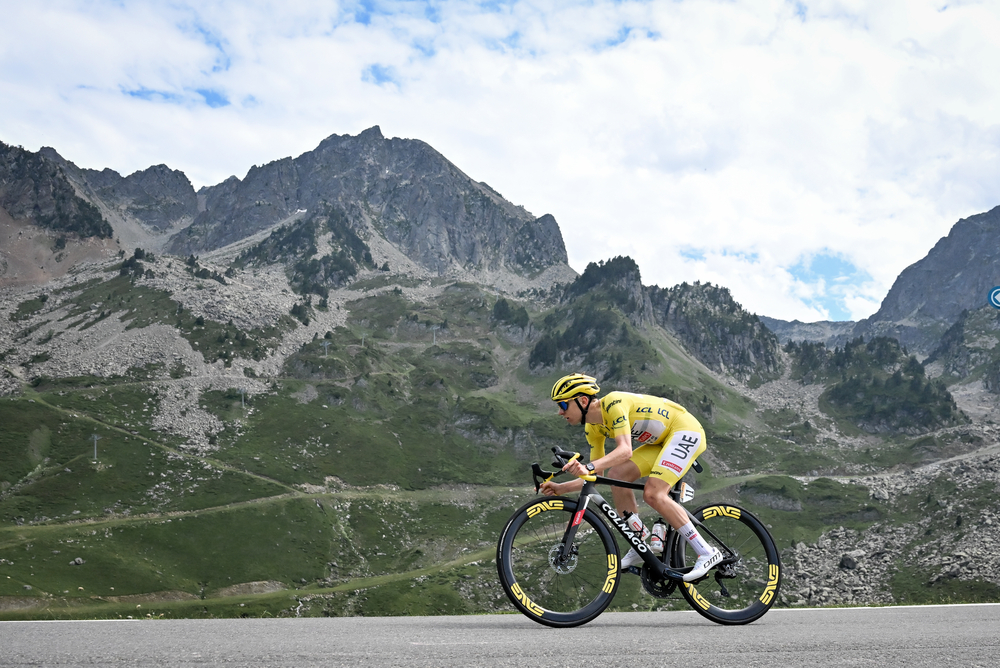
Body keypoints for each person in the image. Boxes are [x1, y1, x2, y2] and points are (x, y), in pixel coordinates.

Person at [539, 373, 722, 581]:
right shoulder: (592, 428)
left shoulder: (613, 403)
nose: (560, 412)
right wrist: (561, 488)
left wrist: (586, 466)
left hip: (684, 430)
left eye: (563, 405)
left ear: (582, 401)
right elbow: (596, 476)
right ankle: (640, 543)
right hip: (661, 442)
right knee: (616, 475)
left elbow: (625, 451)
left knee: (653, 494)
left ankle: (706, 551)